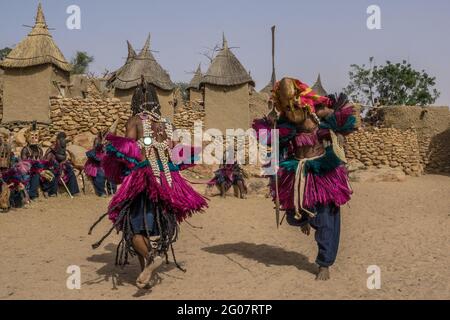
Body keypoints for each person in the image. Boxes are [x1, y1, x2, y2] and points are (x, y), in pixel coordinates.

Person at [90, 77, 208, 289]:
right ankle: (147, 270)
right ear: (156, 101)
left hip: (143, 178)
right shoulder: (166, 124)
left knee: (133, 228)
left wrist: (111, 146)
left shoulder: (135, 120)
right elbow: (174, 150)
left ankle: (152, 259)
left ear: (136, 101)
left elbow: (129, 149)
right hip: (165, 179)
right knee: (151, 225)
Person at [253, 78, 358, 281]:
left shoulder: (317, 115)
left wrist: (329, 116)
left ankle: (324, 264)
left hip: (322, 171)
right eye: (285, 103)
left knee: (326, 218)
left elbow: (344, 122)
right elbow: (271, 141)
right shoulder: (282, 123)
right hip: (297, 172)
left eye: (292, 100)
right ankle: (305, 219)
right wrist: (273, 125)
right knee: (294, 216)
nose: (290, 106)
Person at [44, 132, 80, 197]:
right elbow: (46, 160)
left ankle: (74, 191)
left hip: (61, 165)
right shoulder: (51, 149)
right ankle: (52, 192)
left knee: (71, 172)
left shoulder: (63, 147)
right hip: (52, 166)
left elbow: (63, 158)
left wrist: (63, 164)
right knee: (52, 174)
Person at [84, 132, 117, 197]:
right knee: (100, 175)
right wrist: (101, 145)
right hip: (96, 164)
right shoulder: (98, 141)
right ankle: (101, 192)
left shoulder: (111, 145)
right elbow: (95, 151)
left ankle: (112, 192)